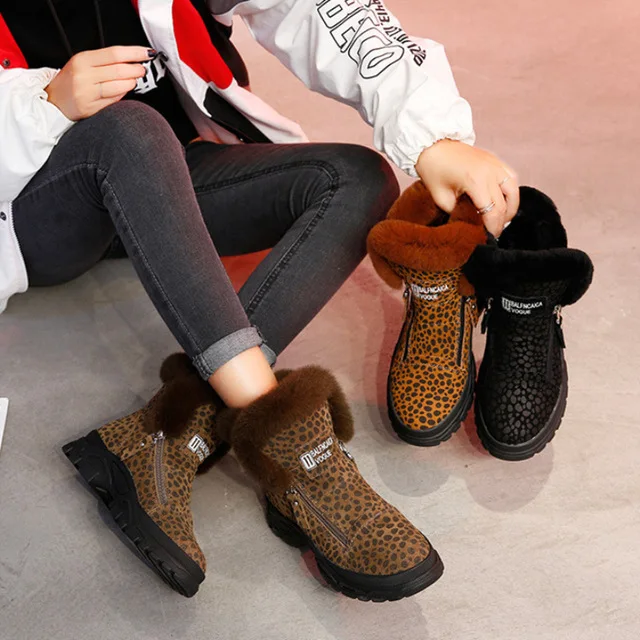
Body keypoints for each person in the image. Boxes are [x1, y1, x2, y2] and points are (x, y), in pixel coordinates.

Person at [0, 0, 519, 600]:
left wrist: (434, 135)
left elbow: (309, 6)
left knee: (356, 177)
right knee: (129, 128)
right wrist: (42, 105)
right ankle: (297, 452)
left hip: (169, 177)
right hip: (37, 208)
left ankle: (169, 429)